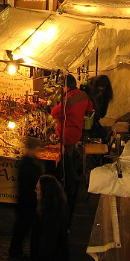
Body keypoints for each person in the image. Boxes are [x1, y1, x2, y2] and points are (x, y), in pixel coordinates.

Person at [50, 74, 93, 223]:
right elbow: (89, 109)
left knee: (66, 161)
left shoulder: (69, 99)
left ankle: (69, 185)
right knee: (71, 156)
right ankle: (71, 180)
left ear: (66, 86)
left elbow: (55, 113)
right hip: (76, 131)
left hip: (66, 134)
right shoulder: (83, 95)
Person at [29, 175, 72, 261]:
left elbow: (47, 245)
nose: (36, 191)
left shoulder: (51, 215)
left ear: (45, 192)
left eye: (38, 189)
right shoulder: (53, 209)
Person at [9, 137, 45, 260]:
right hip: (27, 200)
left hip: (26, 200)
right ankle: (16, 250)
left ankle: (17, 249)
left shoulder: (28, 162)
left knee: (23, 226)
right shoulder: (28, 164)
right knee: (23, 227)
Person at [86, 74, 114, 141]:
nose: (101, 91)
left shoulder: (105, 94)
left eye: (102, 90)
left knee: (97, 131)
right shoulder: (89, 87)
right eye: (99, 89)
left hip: (95, 114)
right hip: (90, 112)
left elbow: (102, 112)